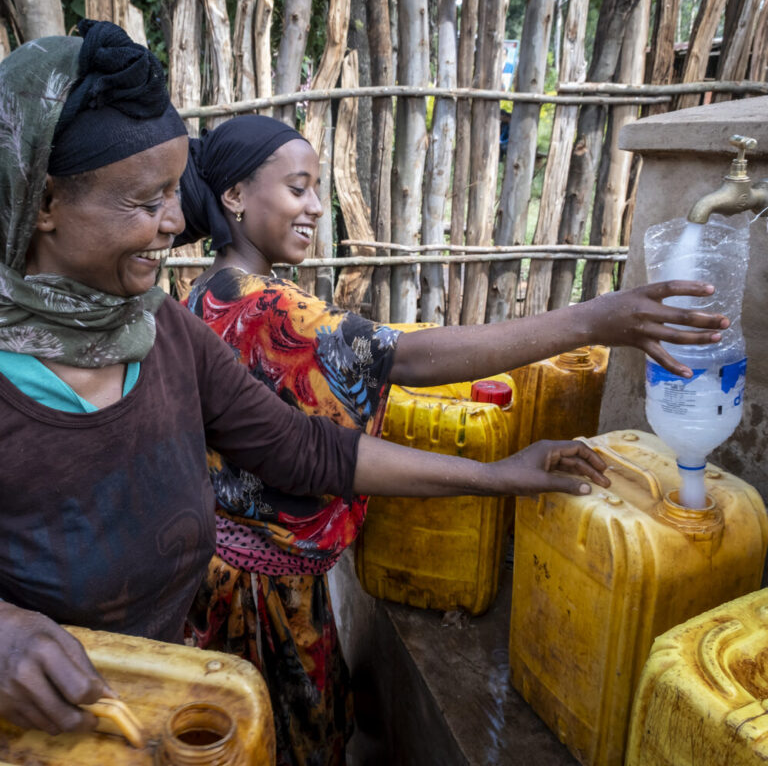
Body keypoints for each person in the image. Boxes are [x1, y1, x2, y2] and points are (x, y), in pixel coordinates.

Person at [0, 20, 624, 742]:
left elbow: (312, 450)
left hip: (155, 709)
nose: (175, 222)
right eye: (146, 202)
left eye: (175, 193)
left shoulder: (167, 335)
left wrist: (502, 476)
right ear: (44, 203)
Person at [177, 114, 729, 765]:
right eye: (299, 188)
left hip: (228, 580)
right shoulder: (260, 306)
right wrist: (591, 320)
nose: (318, 206)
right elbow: (406, 360)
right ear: (235, 196)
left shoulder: (209, 294)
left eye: (318, 188)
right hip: (261, 605)